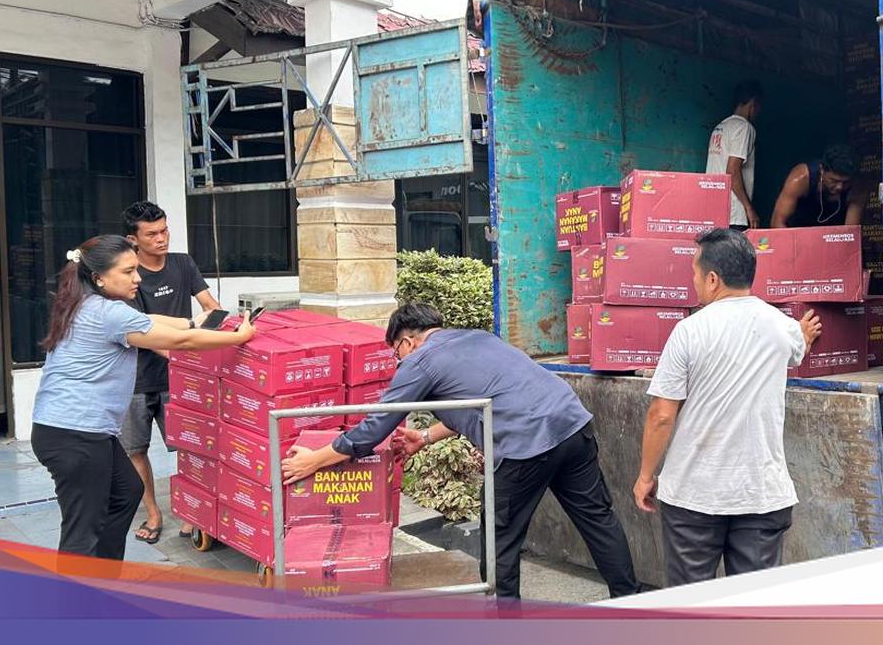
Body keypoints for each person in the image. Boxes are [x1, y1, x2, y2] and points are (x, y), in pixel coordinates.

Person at [282, 303, 642, 601]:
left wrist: (315, 458)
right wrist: (423, 437)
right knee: (599, 520)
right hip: (573, 426)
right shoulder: (479, 339)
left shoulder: (419, 362)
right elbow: (479, 402)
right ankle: (631, 602)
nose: (398, 362)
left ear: (407, 342)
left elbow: (376, 427)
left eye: (396, 354)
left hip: (524, 447)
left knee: (499, 541)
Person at [31, 235, 254, 561]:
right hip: (74, 434)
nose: (138, 278)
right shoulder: (109, 314)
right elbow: (185, 342)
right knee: (83, 529)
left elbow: (153, 322)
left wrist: (194, 320)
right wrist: (238, 337)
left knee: (127, 491)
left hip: (74, 430)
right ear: (99, 277)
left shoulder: (86, 304)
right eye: (128, 271)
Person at [632, 229, 821, 587]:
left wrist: (645, 476)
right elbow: (798, 349)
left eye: (694, 272)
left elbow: (662, 414)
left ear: (713, 279)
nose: (693, 281)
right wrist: (805, 335)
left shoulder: (688, 331)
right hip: (761, 495)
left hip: (694, 495)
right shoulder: (783, 329)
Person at [119, 201, 221, 544]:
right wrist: (184, 353)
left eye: (164, 230)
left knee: (191, 448)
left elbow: (211, 306)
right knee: (135, 449)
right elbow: (144, 334)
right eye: (152, 234)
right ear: (133, 240)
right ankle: (153, 512)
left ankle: (193, 511)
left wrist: (219, 329)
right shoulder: (129, 277)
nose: (161, 239)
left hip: (179, 378)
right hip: (134, 380)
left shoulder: (182, 263)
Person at [706, 80, 762, 231]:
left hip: (713, 209)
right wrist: (749, 208)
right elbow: (732, 170)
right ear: (754, 103)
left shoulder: (720, 127)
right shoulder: (744, 128)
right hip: (734, 213)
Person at [769, 144, 867, 228]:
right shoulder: (801, 178)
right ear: (822, 170)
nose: (839, 187)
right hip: (797, 231)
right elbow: (777, 223)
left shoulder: (857, 187)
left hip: (833, 236)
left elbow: (851, 232)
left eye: (845, 182)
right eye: (834, 180)